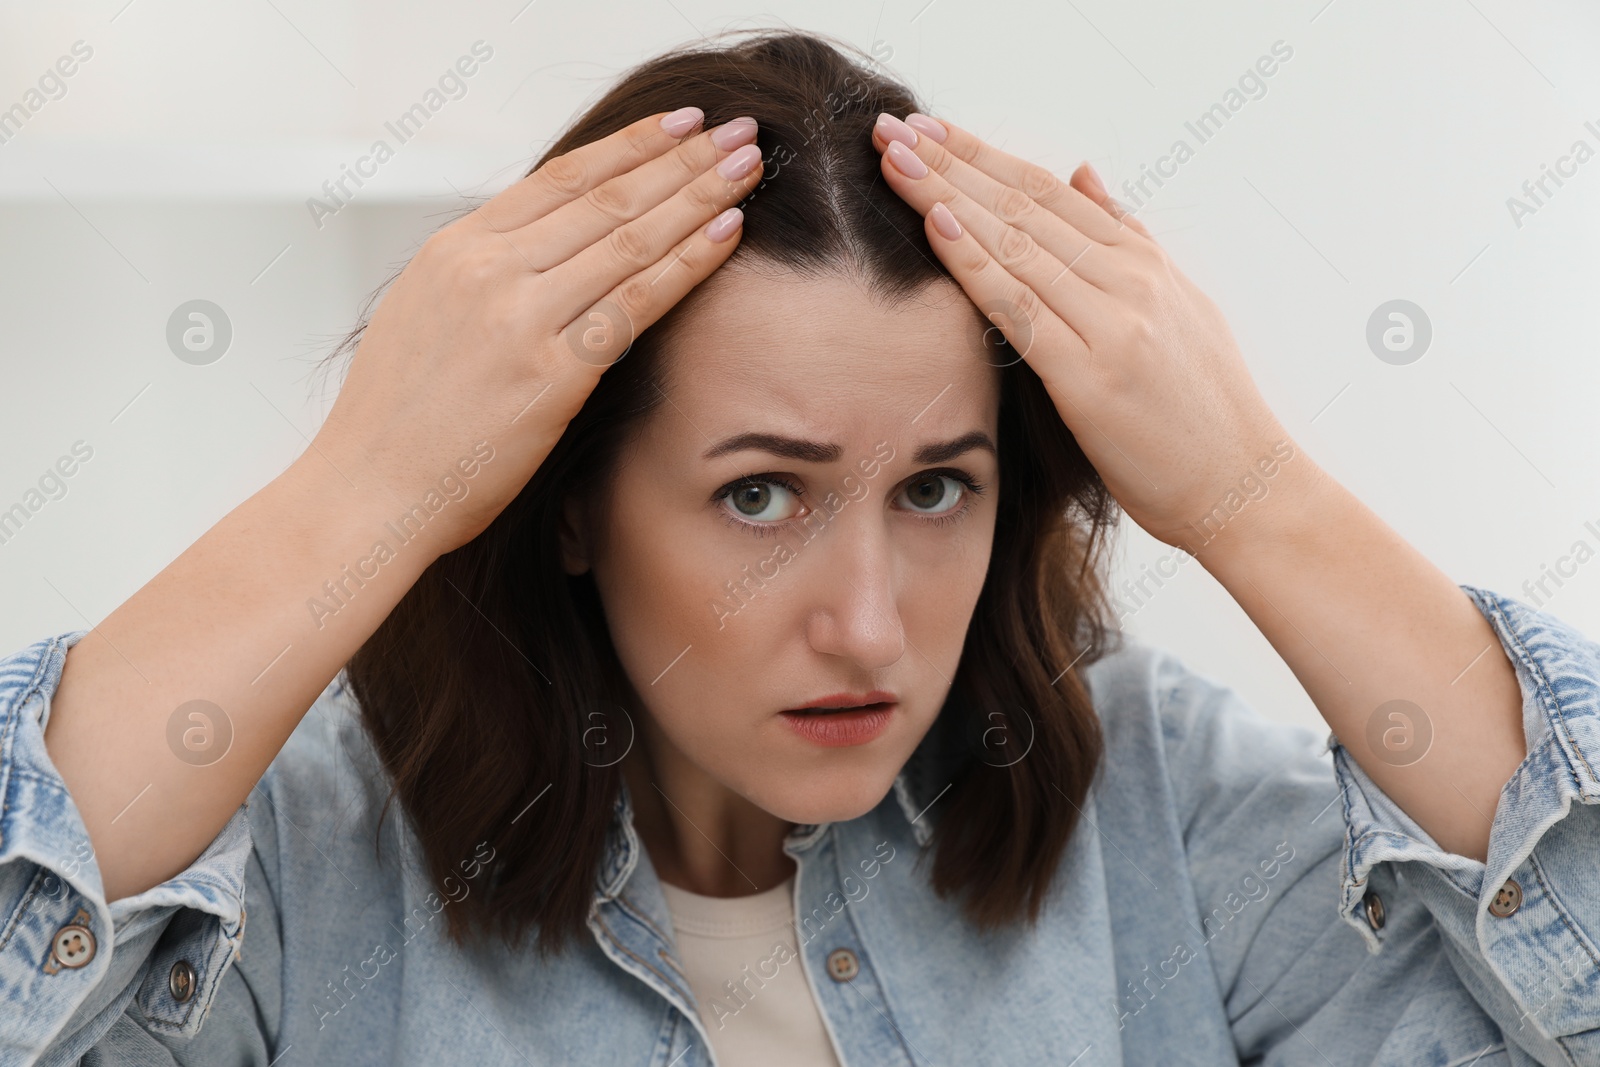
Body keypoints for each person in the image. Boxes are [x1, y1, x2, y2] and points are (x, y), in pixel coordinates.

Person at [3, 27, 1597, 1067]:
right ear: (563, 497)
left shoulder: (1152, 812)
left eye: (935, 490)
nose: (867, 628)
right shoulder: (307, 868)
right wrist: (365, 488)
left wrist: (1258, 495)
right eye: (761, 494)